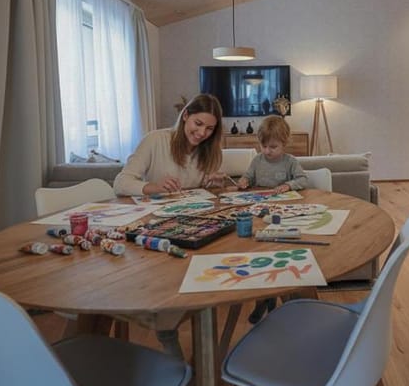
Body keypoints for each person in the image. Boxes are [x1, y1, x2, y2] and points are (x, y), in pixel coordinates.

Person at [113, 93, 228, 357]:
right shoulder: (155, 140)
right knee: (169, 280)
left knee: (205, 273)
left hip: (192, 226)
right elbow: (120, 183)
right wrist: (152, 187)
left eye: (210, 128)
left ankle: (200, 344)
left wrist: (213, 184)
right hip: (155, 228)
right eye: (198, 123)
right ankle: (168, 334)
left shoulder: (210, 150)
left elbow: (200, 195)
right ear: (185, 115)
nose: (202, 133)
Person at [236, 115, 308, 323]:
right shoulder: (257, 161)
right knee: (260, 251)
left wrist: (288, 185)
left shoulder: (290, 162)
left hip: (282, 214)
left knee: (280, 253)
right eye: (264, 146)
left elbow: (303, 179)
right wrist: (243, 181)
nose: (267, 151)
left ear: (284, 143)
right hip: (259, 212)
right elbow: (248, 177)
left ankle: (279, 300)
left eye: (273, 147)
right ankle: (263, 299)